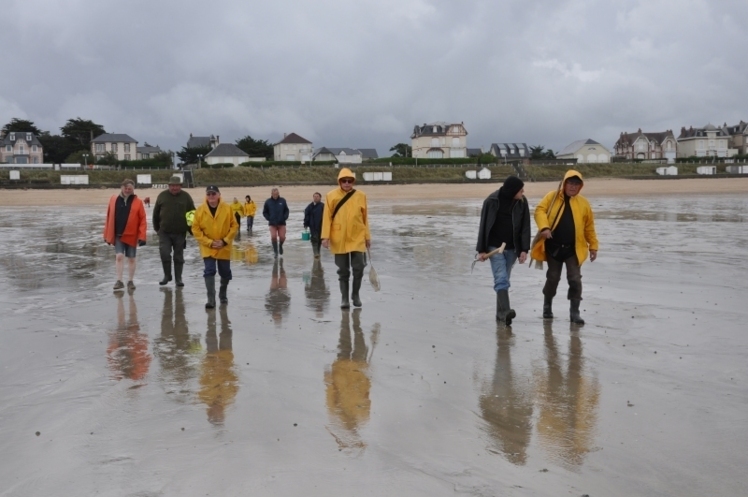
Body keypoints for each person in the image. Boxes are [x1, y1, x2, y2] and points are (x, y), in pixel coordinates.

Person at [532, 170, 599, 324]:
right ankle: (547, 306)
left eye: (577, 184)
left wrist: (593, 246)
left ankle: (574, 312)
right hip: (553, 247)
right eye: (570, 183)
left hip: (573, 249)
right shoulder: (552, 196)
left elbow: (589, 227)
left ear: (580, 186)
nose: (573, 187)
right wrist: (544, 228)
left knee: (575, 279)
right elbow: (539, 211)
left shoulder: (583, 203)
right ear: (564, 183)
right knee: (553, 278)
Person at [476, 176, 531, 325]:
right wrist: (481, 249)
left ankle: (500, 315)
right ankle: (506, 311)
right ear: (513, 190)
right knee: (501, 278)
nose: (523, 192)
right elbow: (483, 225)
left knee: (503, 280)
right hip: (494, 248)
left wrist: (524, 249)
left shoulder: (522, 202)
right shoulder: (491, 201)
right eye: (520, 190)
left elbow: (526, 226)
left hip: (513, 248)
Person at [321, 168, 371, 309]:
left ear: (353, 182)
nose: (347, 183)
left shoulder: (361, 195)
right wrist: (325, 237)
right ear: (339, 182)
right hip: (339, 237)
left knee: (359, 267)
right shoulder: (331, 196)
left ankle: (355, 295)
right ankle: (344, 298)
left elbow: (365, 218)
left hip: (357, 237)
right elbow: (326, 217)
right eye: (344, 181)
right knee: (343, 270)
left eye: (350, 181)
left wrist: (367, 237)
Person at [192, 185, 239, 309]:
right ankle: (211, 299)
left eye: (213, 194)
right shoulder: (200, 210)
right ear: (206, 196)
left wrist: (225, 241)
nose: (211, 196)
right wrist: (208, 242)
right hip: (208, 247)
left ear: (219, 195)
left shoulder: (227, 209)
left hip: (224, 246)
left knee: (225, 272)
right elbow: (195, 229)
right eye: (209, 194)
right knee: (209, 270)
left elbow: (234, 226)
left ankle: (222, 293)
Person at [103, 179, 147, 291]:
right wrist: (106, 234)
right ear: (121, 188)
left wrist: (142, 236)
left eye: (130, 189)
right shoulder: (113, 199)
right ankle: (119, 281)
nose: (127, 190)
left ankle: (130, 281)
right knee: (119, 256)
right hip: (118, 234)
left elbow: (142, 220)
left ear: (133, 190)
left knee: (131, 258)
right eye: (125, 188)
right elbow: (108, 217)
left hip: (132, 235)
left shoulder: (138, 202)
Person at [153, 175, 196, 287]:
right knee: (165, 254)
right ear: (169, 186)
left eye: (177, 186)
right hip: (164, 232)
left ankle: (178, 278)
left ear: (180, 186)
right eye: (172, 185)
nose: (174, 188)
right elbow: (155, 214)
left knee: (178, 257)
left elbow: (192, 213)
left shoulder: (186, 197)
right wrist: (157, 229)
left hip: (180, 232)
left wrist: (192, 230)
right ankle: (167, 276)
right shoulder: (162, 196)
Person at [263, 187, 289, 257]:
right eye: (274, 194)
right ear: (271, 194)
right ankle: (275, 251)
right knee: (273, 237)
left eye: (277, 194)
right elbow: (265, 212)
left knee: (282, 237)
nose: (275, 195)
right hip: (272, 223)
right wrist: (269, 218)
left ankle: (280, 245)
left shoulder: (282, 200)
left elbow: (286, 210)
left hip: (282, 222)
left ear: (278, 193)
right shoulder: (268, 201)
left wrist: (285, 217)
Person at [304, 192, 325, 258]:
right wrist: (305, 224)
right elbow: (306, 215)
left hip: (321, 226)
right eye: (314, 196)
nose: (315, 198)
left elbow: (327, 216)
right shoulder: (310, 206)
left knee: (319, 240)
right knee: (314, 239)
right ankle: (316, 254)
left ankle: (318, 252)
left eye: (317, 196)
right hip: (312, 226)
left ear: (320, 198)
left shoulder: (323, 206)